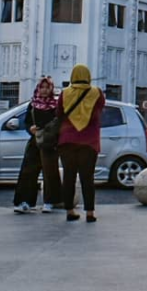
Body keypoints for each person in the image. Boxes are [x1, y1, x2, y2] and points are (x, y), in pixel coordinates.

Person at [57, 64, 105, 223]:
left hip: (67, 141)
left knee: (69, 177)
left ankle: (70, 211)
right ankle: (90, 212)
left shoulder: (64, 94)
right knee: (87, 178)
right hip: (89, 141)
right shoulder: (97, 93)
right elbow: (100, 110)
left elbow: (58, 114)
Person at [13, 77, 63, 214]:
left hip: (50, 142)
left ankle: (50, 201)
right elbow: (27, 122)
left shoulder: (56, 104)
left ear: (52, 88)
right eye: (42, 87)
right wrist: (31, 129)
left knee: (49, 172)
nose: (45, 90)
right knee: (28, 170)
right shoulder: (33, 104)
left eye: (47, 87)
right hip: (35, 141)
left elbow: (59, 122)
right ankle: (25, 202)